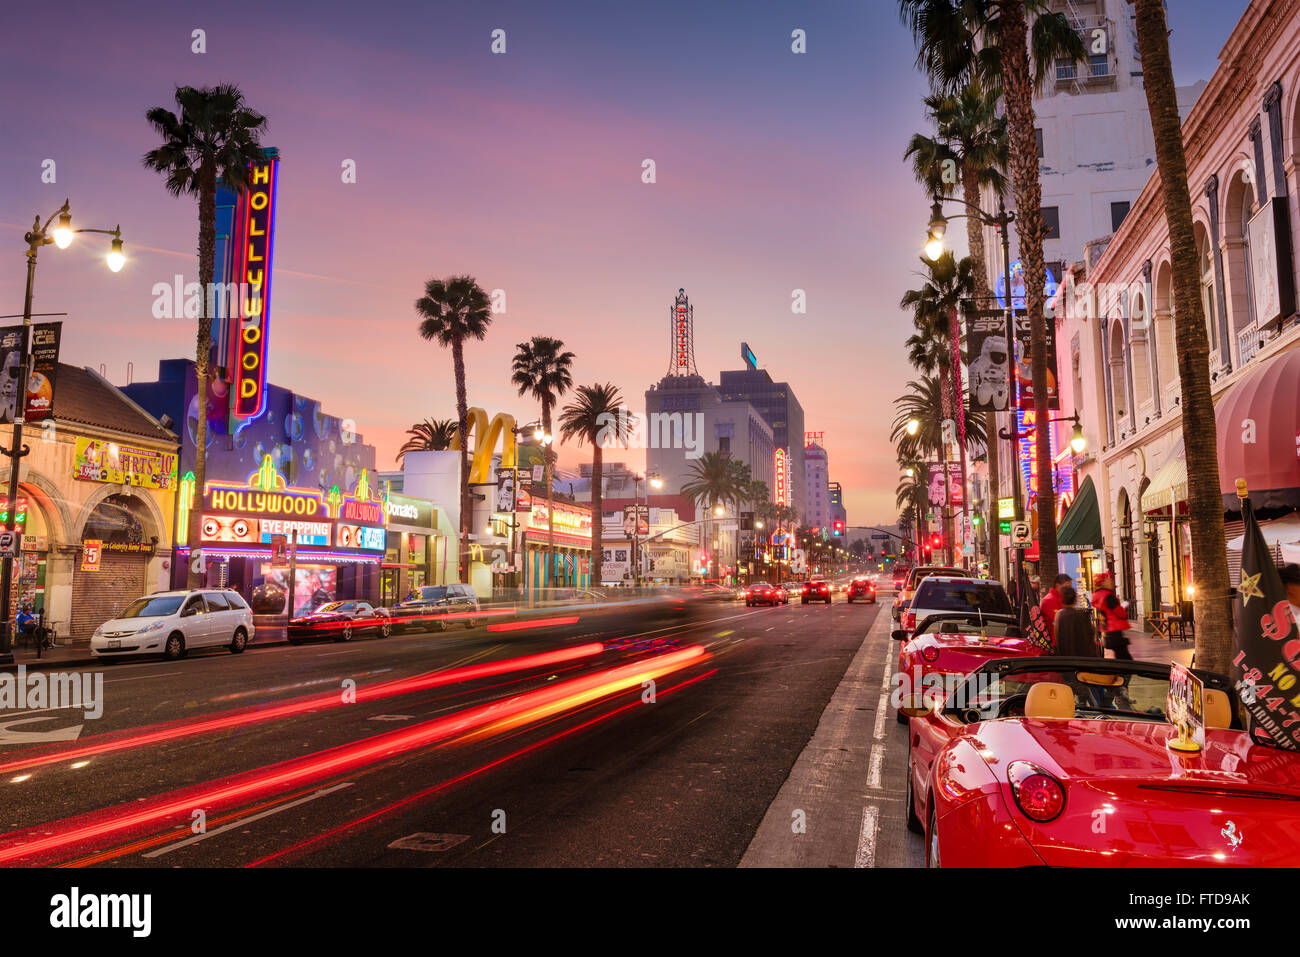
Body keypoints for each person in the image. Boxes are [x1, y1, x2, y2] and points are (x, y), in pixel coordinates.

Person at [1092, 571, 1131, 660]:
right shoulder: (1108, 596)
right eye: (1110, 580)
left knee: (1120, 656)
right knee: (1125, 658)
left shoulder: (1097, 595)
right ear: (1103, 582)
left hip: (1106, 631)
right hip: (1115, 631)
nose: (1112, 583)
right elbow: (1121, 614)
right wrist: (1123, 607)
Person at [1055, 586, 1100, 657]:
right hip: (1081, 660)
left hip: (1065, 660)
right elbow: (1089, 639)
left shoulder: (1059, 615)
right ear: (1075, 599)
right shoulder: (1082, 615)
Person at [1038, 573, 1073, 646]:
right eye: (1066, 587)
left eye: (1070, 588)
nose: (1068, 590)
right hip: (1055, 645)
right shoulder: (1049, 601)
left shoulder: (1060, 598)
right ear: (1057, 586)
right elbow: (1060, 623)